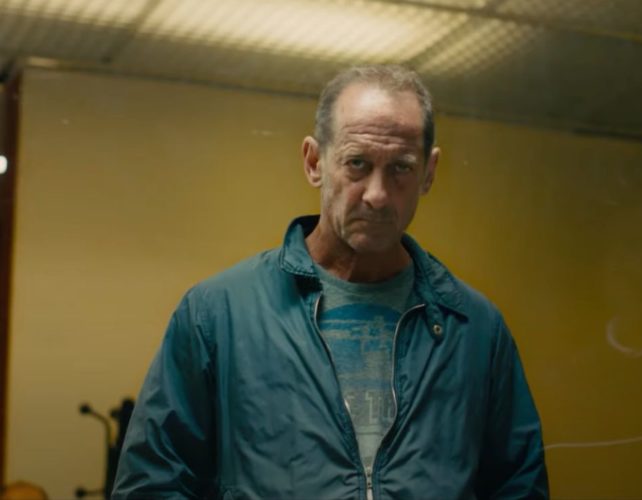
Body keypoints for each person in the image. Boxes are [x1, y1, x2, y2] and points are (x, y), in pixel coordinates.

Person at [113, 65, 548, 499]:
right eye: (357, 163)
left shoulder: (475, 329)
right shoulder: (219, 314)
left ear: (429, 172)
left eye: (401, 168)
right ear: (314, 161)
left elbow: (519, 488)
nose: (377, 195)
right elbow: (152, 484)